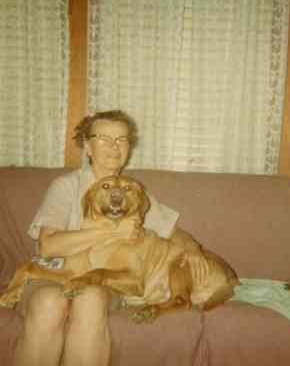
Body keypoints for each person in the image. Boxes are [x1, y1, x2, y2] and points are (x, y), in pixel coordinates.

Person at [14, 110, 208, 366]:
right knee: (49, 302)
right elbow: (48, 246)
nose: (114, 147)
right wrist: (113, 231)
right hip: (55, 273)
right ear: (88, 146)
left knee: (90, 299)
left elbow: (172, 232)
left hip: (102, 283)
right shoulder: (66, 186)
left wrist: (193, 249)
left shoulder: (133, 191)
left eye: (121, 139)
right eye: (104, 139)